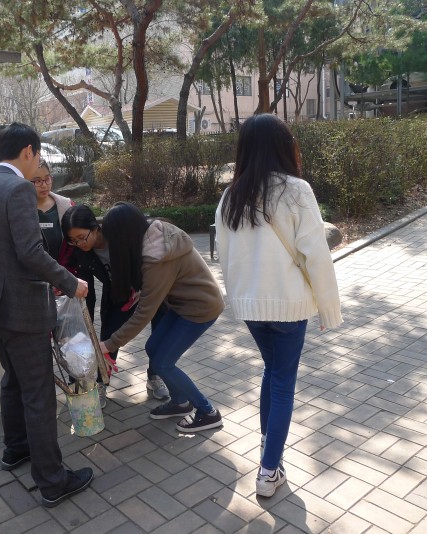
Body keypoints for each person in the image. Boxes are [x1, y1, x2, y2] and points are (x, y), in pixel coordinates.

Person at [215, 113, 342, 499]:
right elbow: (316, 255)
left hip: (250, 308)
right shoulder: (295, 190)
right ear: (283, 146)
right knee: (284, 381)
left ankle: (270, 452)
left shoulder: (229, 196)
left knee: (273, 371)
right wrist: (329, 308)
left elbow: (224, 254)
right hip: (288, 307)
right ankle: (269, 470)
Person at [0, 123, 94, 508]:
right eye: (37, 156)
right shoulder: (19, 188)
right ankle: (53, 480)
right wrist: (72, 282)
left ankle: (16, 448)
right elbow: (30, 252)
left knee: (13, 382)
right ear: (28, 151)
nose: (38, 164)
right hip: (21, 310)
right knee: (38, 394)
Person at [97, 202, 225, 432]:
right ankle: (179, 403)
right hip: (182, 305)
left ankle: (207, 412)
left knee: (163, 363)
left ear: (123, 237)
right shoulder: (151, 234)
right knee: (153, 348)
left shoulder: (156, 257)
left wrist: (108, 344)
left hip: (199, 309)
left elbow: (145, 313)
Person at [60, 204, 170, 408]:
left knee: (160, 336)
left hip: (151, 290)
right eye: (72, 241)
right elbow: (87, 294)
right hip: (118, 295)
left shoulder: (118, 234)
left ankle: (155, 376)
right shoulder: (82, 253)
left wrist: (141, 289)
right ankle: (102, 382)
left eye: (82, 237)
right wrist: (86, 327)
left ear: (95, 228)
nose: (79, 244)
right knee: (109, 339)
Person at [33, 161, 73, 262]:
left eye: (47, 179)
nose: (44, 185)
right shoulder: (21, 209)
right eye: (37, 181)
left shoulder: (66, 205)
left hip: (64, 270)